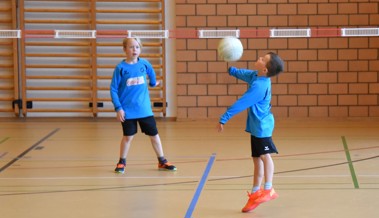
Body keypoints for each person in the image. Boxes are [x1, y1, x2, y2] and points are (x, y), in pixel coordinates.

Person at [217, 52, 284, 212]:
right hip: (256, 127)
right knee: (257, 160)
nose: (259, 58)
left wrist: (224, 118)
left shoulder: (259, 87)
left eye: (263, 59)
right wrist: (232, 70)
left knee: (265, 156)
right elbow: (245, 74)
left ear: (265, 70)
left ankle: (269, 189)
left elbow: (242, 103)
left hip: (262, 127)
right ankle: (255, 193)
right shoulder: (256, 76)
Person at [110, 37, 176, 174]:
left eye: (137, 47)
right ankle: (121, 161)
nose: (134, 49)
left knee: (154, 135)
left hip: (144, 110)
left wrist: (153, 83)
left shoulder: (144, 64)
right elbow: (113, 89)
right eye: (131, 47)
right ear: (124, 49)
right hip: (127, 111)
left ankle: (162, 161)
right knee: (128, 137)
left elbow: (151, 74)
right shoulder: (120, 68)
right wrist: (118, 108)